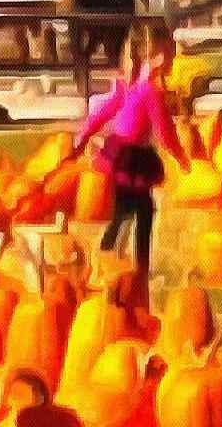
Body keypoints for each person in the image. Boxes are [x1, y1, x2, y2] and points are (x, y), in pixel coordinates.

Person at [69, 20, 186, 282]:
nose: (173, 60)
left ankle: (109, 257)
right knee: (141, 211)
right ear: (156, 57)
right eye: (170, 54)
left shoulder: (128, 85)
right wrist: (181, 158)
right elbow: (165, 132)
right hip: (133, 157)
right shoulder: (149, 92)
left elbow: (102, 113)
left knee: (127, 210)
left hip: (122, 153)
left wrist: (84, 135)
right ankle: (131, 266)